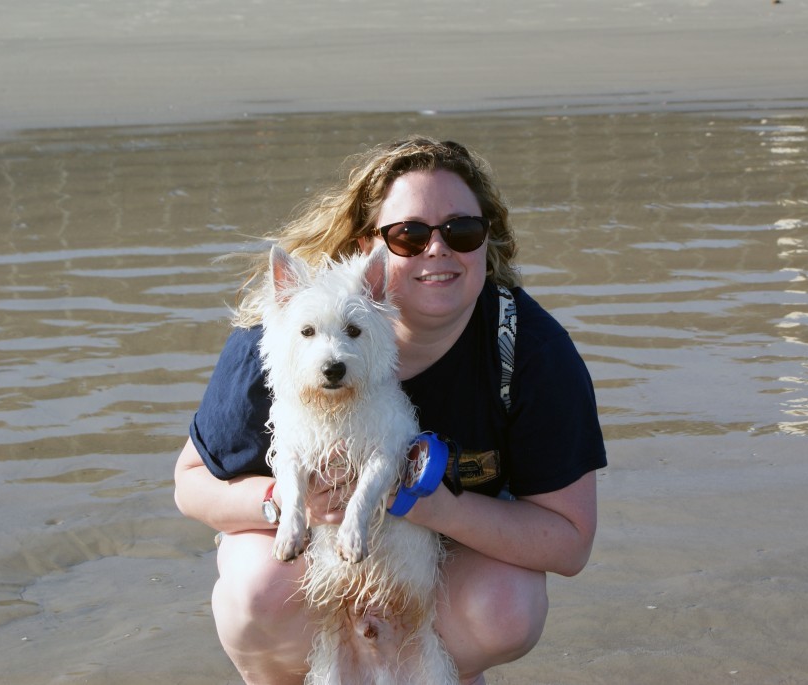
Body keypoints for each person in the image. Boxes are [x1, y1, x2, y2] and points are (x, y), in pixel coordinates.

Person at [173, 136, 607, 685]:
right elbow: (189, 485)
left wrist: (433, 509)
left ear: (486, 239)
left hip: (439, 564)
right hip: (306, 553)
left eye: (462, 231)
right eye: (409, 234)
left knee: (506, 606)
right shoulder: (286, 336)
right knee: (255, 592)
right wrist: (284, 501)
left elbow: (569, 542)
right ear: (367, 253)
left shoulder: (527, 351)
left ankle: (437, 669)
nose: (437, 250)